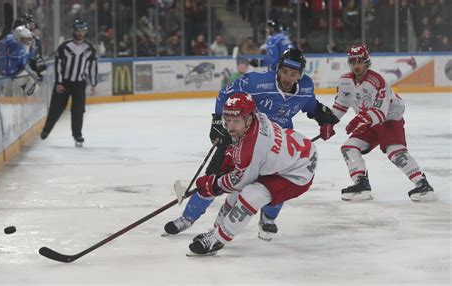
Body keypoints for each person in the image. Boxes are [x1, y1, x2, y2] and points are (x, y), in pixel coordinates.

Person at [164, 48, 338, 240]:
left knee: (278, 178)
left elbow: (310, 105)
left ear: (300, 75)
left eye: (294, 74)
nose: (288, 78)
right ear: (278, 69)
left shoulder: (305, 87)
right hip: (241, 137)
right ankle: (187, 218)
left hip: (275, 144)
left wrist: (324, 118)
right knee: (213, 177)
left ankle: (268, 218)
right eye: (285, 72)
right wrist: (217, 121)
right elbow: (224, 95)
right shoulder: (257, 82)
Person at [187, 92, 318, 255]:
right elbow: (244, 162)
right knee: (236, 196)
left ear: (248, 119)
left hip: (297, 172)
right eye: (227, 120)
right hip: (294, 154)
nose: (230, 127)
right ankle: (215, 231)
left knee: (250, 194)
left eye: (236, 121)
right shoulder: (257, 119)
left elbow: (238, 182)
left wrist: (214, 184)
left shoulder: (254, 147)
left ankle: (217, 239)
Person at [321, 44, 435, 202]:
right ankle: (361, 184)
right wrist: (329, 122)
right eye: (353, 61)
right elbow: (340, 105)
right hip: (368, 122)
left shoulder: (377, 81)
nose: (356, 65)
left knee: (394, 151)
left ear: (367, 62)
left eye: (360, 61)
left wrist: (361, 119)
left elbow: (380, 113)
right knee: (349, 147)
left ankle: (422, 184)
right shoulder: (344, 82)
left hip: (389, 119)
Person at [40, 20, 98, 147]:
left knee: (78, 110)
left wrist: (93, 84)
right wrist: (59, 82)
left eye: (83, 31)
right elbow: (58, 65)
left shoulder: (89, 48)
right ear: (74, 31)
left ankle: (77, 135)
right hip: (64, 83)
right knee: (56, 108)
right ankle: (46, 130)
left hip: (79, 84)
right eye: (79, 30)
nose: (81, 33)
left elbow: (92, 66)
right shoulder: (65, 46)